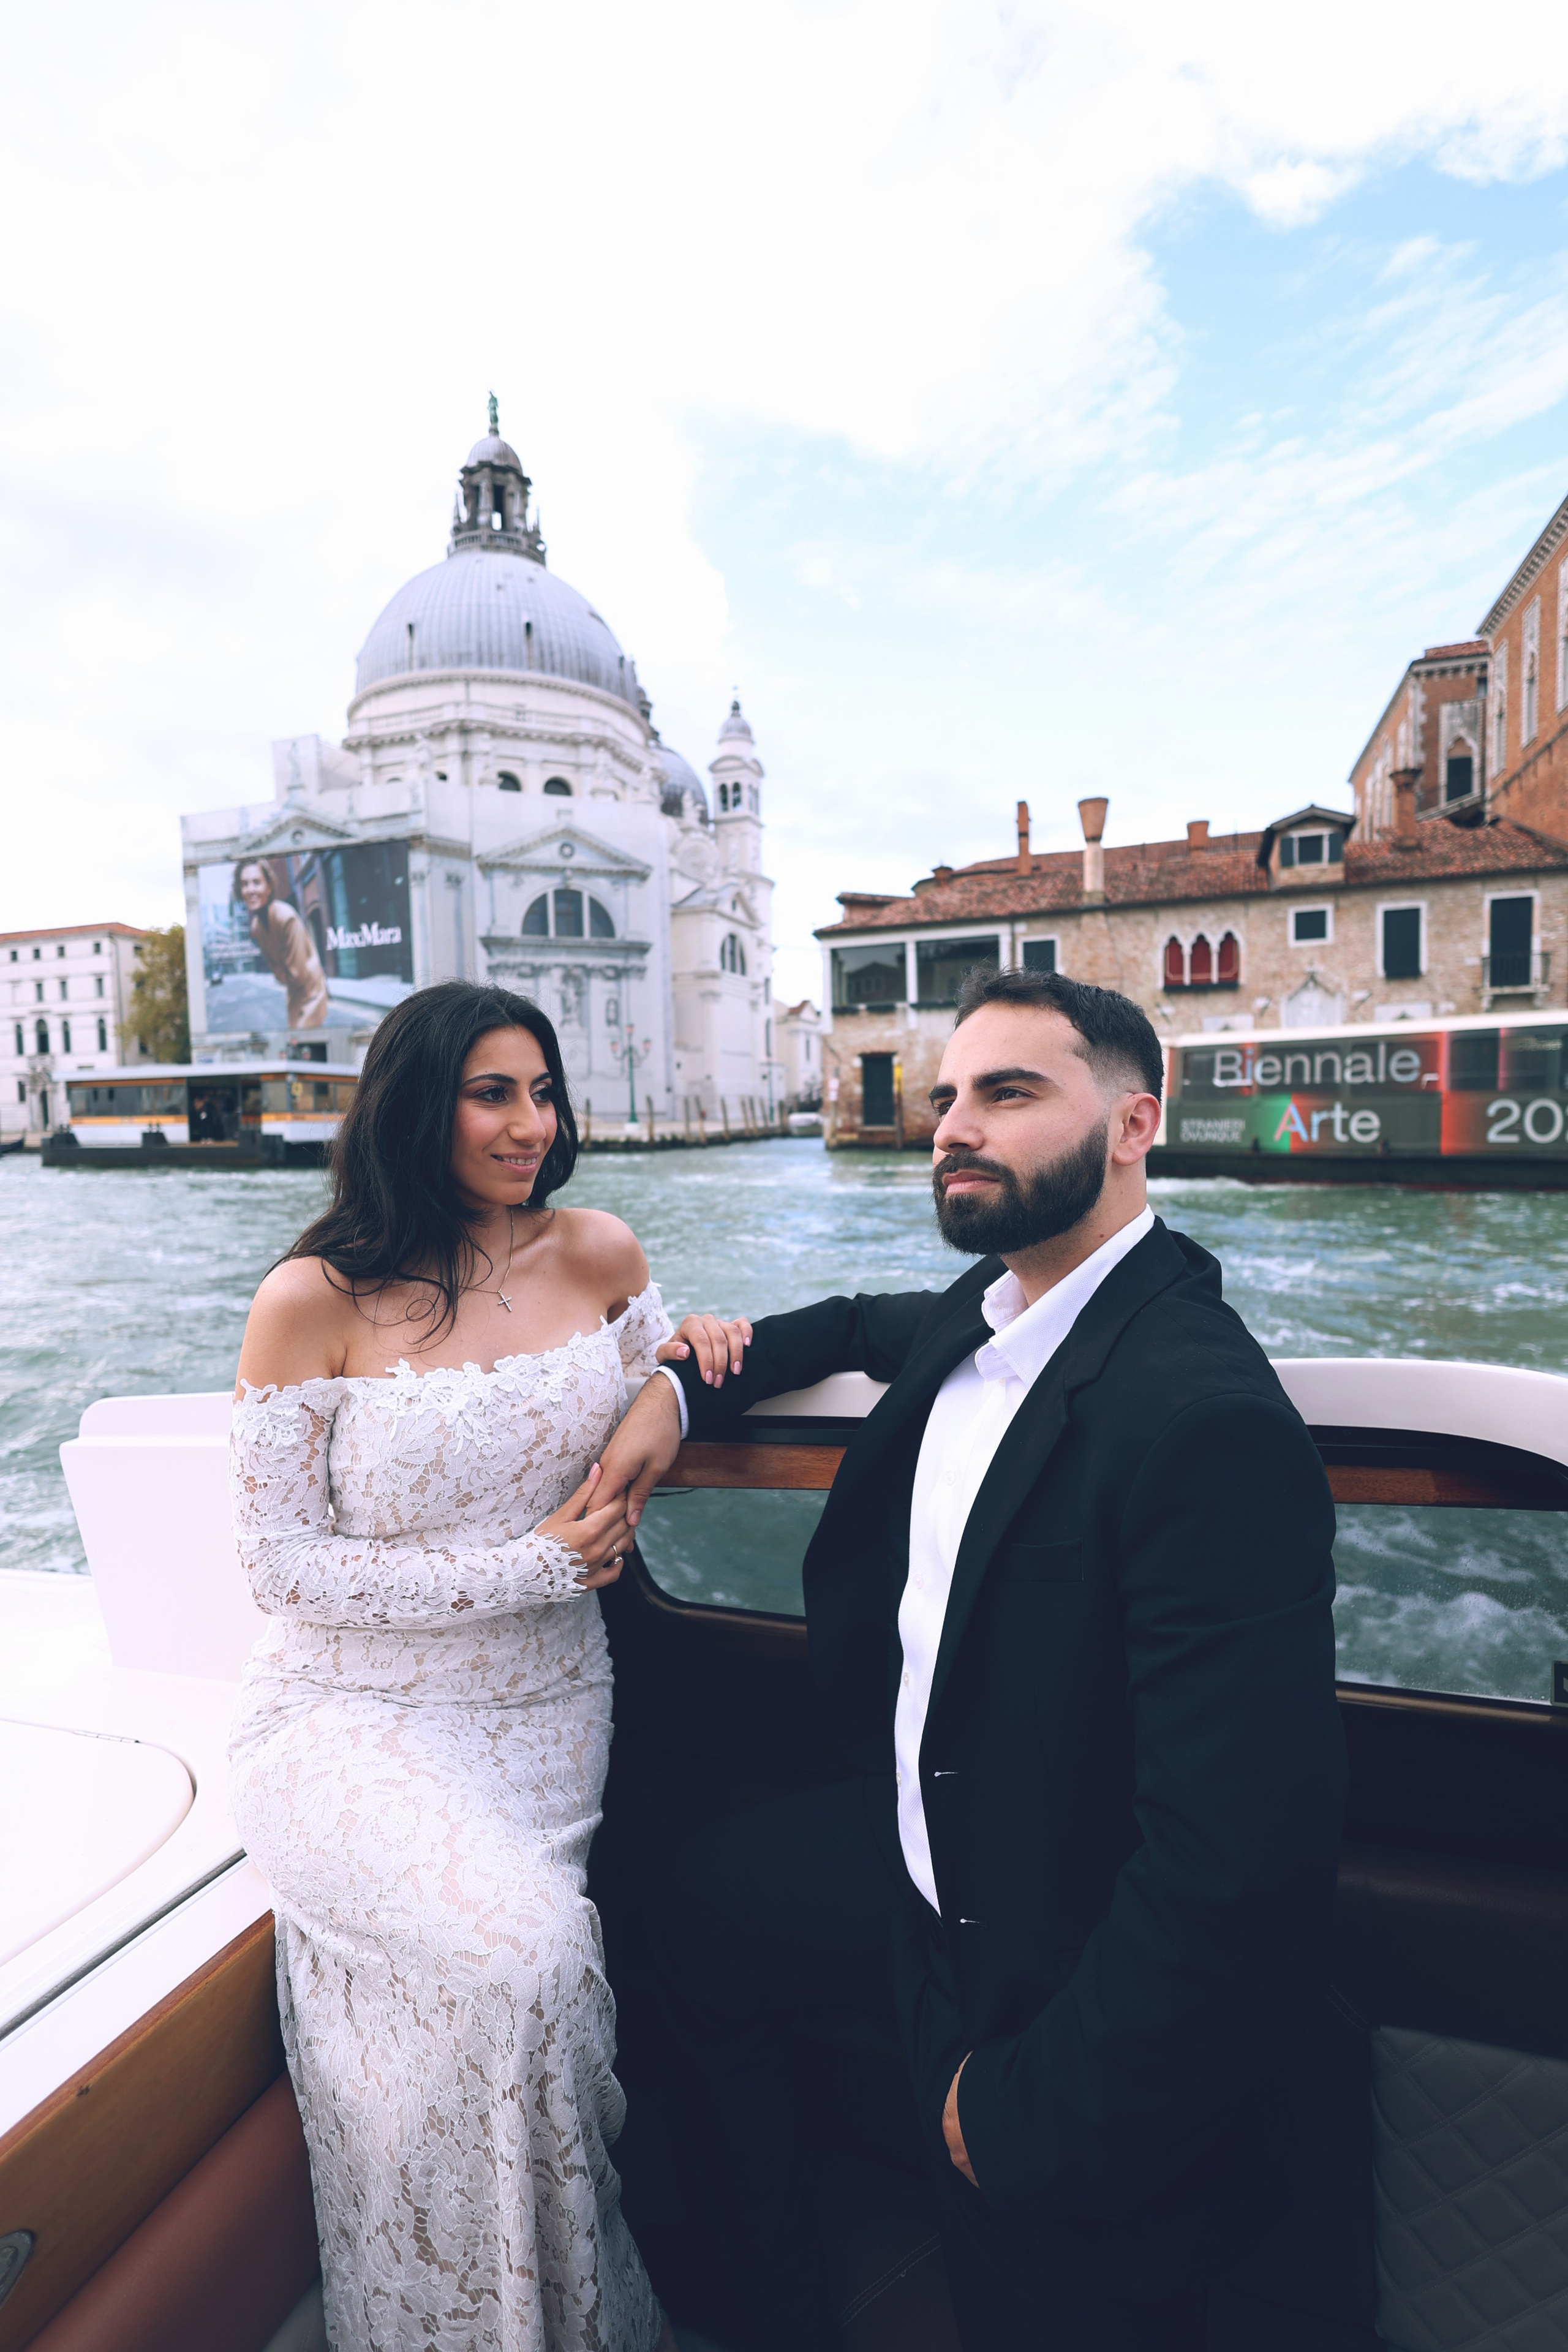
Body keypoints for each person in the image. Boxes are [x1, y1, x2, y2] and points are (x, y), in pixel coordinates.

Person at [599, 968, 1348, 2352]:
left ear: (1133, 1124)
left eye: (1007, 1093)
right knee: (690, 1913)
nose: (953, 1123)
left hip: (1046, 1939)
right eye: (947, 1095)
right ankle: (759, 2312)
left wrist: (1025, 2106)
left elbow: (1236, 1859)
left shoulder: (1197, 1416)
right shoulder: (986, 1306)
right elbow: (836, 1327)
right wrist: (673, 1385)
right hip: (924, 1844)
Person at [227, 980, 745, 2352]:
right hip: (347, 1716)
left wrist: (682, 1377)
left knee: (515, 1986)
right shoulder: (310, 1300)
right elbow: (279, 1571)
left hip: (542, 1717)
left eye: (541, 1092)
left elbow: (661, 1358)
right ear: (416, 1105)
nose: (532, 1124)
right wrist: (528, 1565)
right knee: (526, 1961)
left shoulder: (598, 1250)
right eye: (491, 1094)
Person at [233, 856, 330, 1028]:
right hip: (294, 995)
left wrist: (282, 973)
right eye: (244, 884)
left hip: (312, 994)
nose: (250, 890)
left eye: (257, 882)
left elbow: (298, 972)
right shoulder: (257, 926)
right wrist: (282, 974)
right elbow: (277, 970)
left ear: (269, 887)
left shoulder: (286, 917)